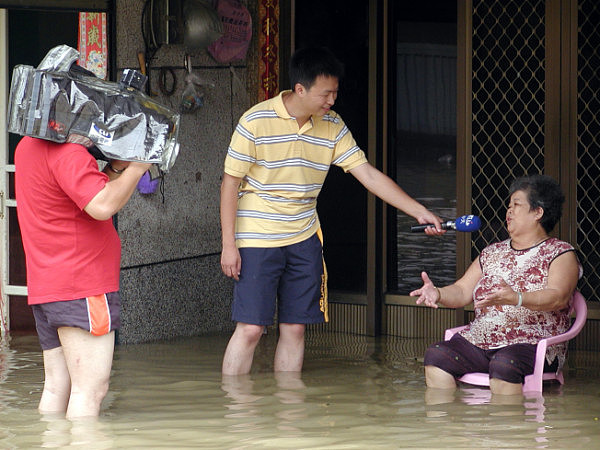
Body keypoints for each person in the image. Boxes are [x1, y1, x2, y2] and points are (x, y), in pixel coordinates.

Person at [220, 46, 445, 375]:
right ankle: (233, 411)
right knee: (252, 329)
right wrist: (229, 244)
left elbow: (366, 173)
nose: (332, 101)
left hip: (304, 235)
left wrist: (417, 210)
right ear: (300, 89)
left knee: (296, 328)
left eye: (335, 93)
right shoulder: (255, 121)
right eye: (326, 94)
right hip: (256, 235)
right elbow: (229, 183)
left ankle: (289, 415)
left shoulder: (332, 125)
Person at [15, 134, 151, 418]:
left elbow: (76, 193)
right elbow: (101, 206)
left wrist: (114, 169)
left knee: (57, 387)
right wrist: (139, 166)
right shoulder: (68, 152)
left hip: (48, 284)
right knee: (90, 391)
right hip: (82, 285)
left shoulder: (27, 145)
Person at [410, 174, 582, 395]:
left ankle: (506, 427)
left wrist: (517, 298)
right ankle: (447, 423)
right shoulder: (492, 252)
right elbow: (462, 291)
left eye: (517, 205)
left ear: (538, 212)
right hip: (482, 338)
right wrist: (438, 293)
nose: (509, 211)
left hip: (533, 342)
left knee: (504, 363)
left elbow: (558, 297)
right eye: (509, 206)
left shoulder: (560, 252)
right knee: (436, 355)